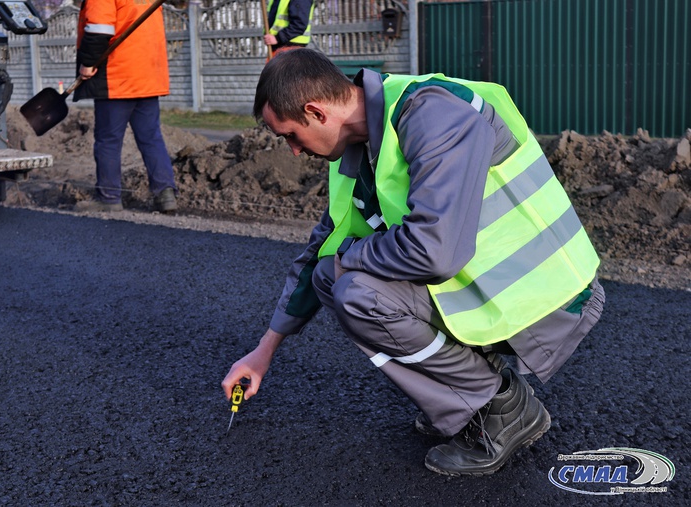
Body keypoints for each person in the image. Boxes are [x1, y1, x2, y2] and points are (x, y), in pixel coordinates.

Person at [221, 49, 606, 476]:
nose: (292, 151)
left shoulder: (431, 114)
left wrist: (352, 255)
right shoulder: (360, 149)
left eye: (290, 135)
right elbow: (320, 253)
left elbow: (433, 252)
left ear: (315, 111)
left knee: (357, 292)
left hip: (545, 294)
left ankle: (499, 405)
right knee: (333, 276)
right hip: (489, 288)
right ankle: (474, 388)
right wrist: (263, 351)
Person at [73, 0, 177, 213]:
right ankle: (165, 195)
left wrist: (88, 62)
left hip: (118, 76)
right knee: (151, 138)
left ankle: (108, 198)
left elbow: (98, 29)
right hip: (148, 76)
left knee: (108, 140)